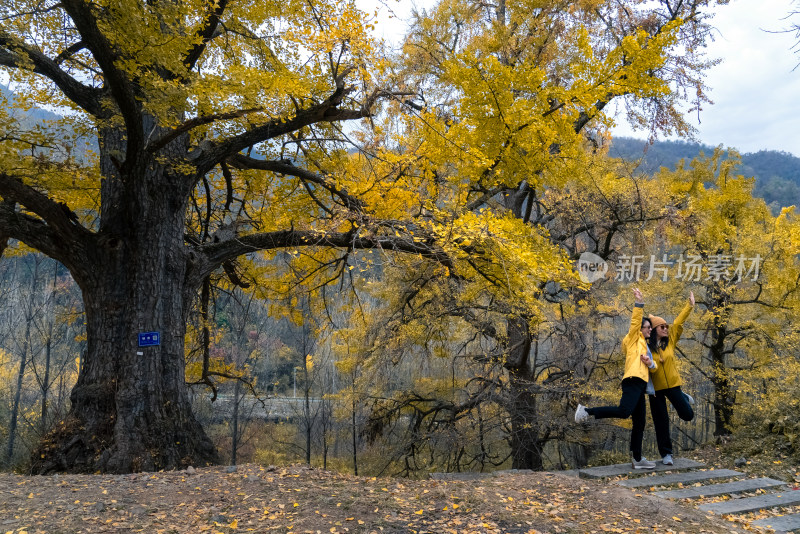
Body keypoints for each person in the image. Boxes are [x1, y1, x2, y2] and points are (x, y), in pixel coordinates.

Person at [574, 288, 659, 469]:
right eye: (648, 327)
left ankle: (637, 459)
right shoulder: (632, 339)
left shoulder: (645, 346)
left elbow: (655, 367)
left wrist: (649, 362)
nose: (650, 329)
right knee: (623, 411)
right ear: (640, 330)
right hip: (633, 380)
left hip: (640, 384)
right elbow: (635, 322)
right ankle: (586, 411)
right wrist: (639, 303)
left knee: (640, 421)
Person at [648, 292, 695, 466]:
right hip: (655, 390)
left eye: (666, 327)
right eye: (662, 327)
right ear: (654, 330)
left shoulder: (671, 340)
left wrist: (689, 306)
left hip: (674, 385)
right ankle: (666, 454)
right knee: (661, 422)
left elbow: (678, 322)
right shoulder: (646, 346)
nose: (666, 329)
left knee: (688, 415)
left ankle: (683, 397)